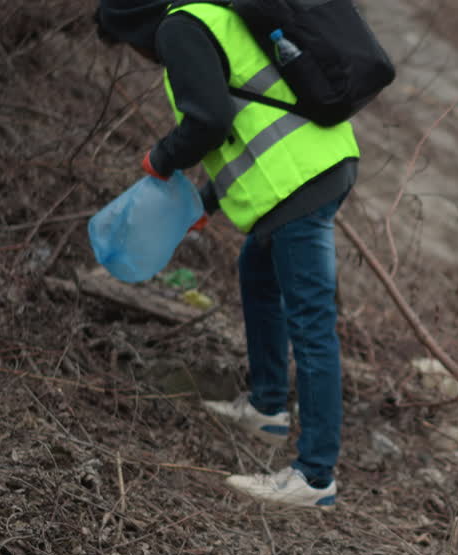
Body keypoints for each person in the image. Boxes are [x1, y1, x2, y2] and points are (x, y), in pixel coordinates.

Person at [96, 0, 361, 508]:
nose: (139, 55)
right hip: (317, 164)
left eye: (128, 45)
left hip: (297, 181)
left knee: (311, 323)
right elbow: (251, 109)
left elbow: (209, 120)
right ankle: (265, 407)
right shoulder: (207, 14)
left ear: (132, 25)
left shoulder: (178, 28)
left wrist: (161, 158)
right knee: (257, 274)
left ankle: (315, 476)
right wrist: (209, 201)